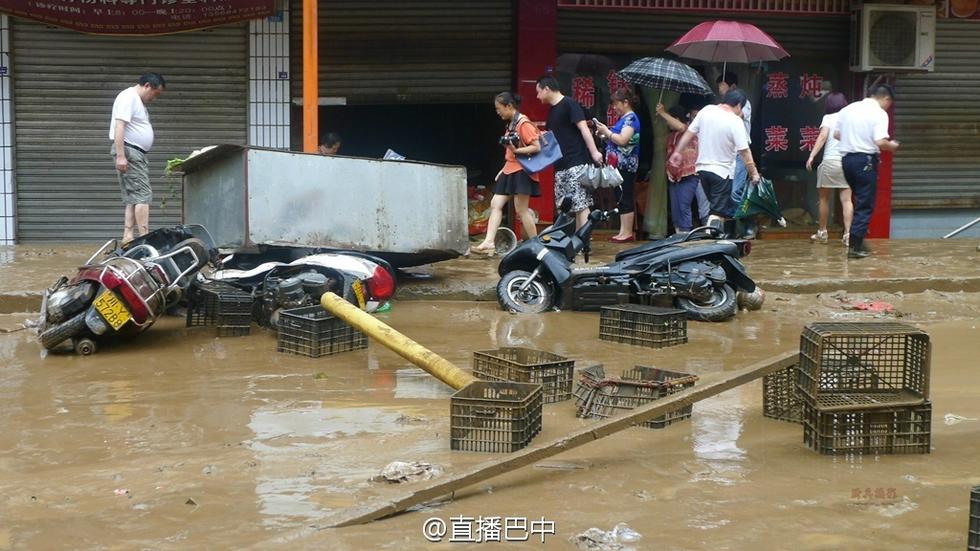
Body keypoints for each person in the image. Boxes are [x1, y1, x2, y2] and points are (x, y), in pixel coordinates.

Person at [669, 90, 761, 231]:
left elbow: (689, 133)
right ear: (738, 106)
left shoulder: (706, 111)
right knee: (717, 213)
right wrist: (753, 173)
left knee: (719, 209)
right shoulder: (735, 121)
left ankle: (720, 236)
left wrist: (677, 152)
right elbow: (744, 151)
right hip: (721, 173)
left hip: (702, 171)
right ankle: (711, 236)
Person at [470, 92, 542, 255]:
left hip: (522, 171)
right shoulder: (511, 124)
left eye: (499, 108)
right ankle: (489, 242)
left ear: (509, 106)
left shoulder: (523, 123)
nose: (498, 112)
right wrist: (503, 169)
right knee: (496, 203)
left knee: (521, 209)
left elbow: (536, 146)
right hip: (510, 169)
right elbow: (510, 152)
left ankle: (536, 244)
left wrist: (516, 151)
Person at [836, 83, 900, 259]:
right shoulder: (879, 113)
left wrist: (854, 138)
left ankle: (858, 239)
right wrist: (892, 146)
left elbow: (836, 135)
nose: (888, 107)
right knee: (865, 204)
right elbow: (880, 142)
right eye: (889, 103)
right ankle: (855, 246)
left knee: (859, 199)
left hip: (846, 161)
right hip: (865, 161)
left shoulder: (848, 109)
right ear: (886, 98)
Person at [535, 76, 604, 229]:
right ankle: (575, 239)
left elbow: (584, 129)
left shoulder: (569, 104)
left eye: (538, 92)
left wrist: (594, 152)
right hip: (560, 165)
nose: (537, 96)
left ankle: (584, 239)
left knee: (581, 204)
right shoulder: (552, 111)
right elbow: (552, 137)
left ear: (547, 89)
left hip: (576, 162)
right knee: (565, 206)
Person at [110, 72, 165, 242]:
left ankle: (128, 237)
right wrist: (121, 156)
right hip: (129, 151)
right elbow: (119, 126)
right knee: (143, 195)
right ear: (147, 85)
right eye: (155, 93)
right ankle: (144, 238)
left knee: (133, 197)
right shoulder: (129, 97)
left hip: (134, 152)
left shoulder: (136, 100)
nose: (154, 98)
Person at [805, 92, 853, 246]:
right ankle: (848, 235)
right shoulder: (849, 118)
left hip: (830, 161)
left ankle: (822, 232)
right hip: (847, 162)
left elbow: (823, 136)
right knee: (847, 200)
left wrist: (812, 156)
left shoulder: (828, 118)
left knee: (824, 199)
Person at [594, 89, 641, 242]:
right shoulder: (624, 119)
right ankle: (623, 231)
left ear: (626, 102)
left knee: (625, 196)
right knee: (620, 197)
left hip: (626, 165)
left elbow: (622, 140)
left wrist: (606, 131)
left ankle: (627, 232)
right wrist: (604, 134)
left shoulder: (631, 119)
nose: (614, 108)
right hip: (618, 165)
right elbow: (615, 140)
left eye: (616, 104)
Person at [717, 72, 755, 237]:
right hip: (726, 153)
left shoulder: (744, 103)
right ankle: (730, 230)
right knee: (726, 192)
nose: (719, 89)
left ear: (732, 86)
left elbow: (736, 116)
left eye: (722, 85)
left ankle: (750, 221)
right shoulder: (720, 107)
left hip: (741, 153)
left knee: (735, 191)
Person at [657, 103, 700, 234]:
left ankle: (685, 234)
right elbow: (669, 156)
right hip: (674, 177)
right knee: (675, 208)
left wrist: (662, 113)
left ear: (676, 118)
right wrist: (668, 171)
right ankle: (678, 235)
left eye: (669, 119)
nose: (667, 123)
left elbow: (681, 127)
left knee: (683, 206)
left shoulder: (689, 130)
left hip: (689, 175)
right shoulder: (671, 136)